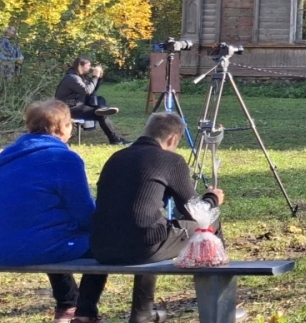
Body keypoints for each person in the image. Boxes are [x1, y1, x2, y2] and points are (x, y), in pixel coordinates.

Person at [78, 111, 226, 323]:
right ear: (173, 139)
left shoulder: (116, 158)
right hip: (144, 246)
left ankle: (84, 312)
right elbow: (196, 212)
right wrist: (212, 197)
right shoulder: (171, 160)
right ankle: (220, 300)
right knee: (209, 222)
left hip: (100, 247)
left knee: (145, 225)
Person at [0, 100, 104, 323]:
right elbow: (84, 212)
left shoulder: (6, 156)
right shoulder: (64, 159)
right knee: (105, 243)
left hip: (3, 243)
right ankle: (85, 313)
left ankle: (67, 304)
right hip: (30, 247)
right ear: (63, 128)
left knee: (50, 230)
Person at [55, 58, 124, 145]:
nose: (90, 68)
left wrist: (98, 78)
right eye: (88, 66)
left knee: (100, 99)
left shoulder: (80, 76)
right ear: (80, 66)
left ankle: (102, 109)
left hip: (78, 104)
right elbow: (87, 91)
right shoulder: (72, 78)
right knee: (101, 116)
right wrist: (95, 77)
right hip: (69, 109)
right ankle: (115, 140)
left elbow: (92, 90)